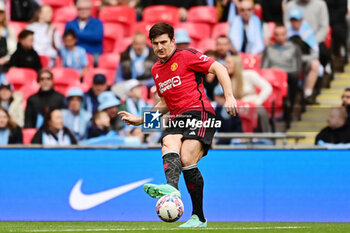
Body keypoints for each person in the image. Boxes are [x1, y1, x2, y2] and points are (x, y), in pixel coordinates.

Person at [118, 22, 237, 228]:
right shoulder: (156, 70)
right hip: (177, 117)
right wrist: (140, 119)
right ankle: (172, 188)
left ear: (173, 41)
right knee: (168, 141)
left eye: (164, 42)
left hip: (200, 113)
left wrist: (229, 97)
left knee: (187, 156)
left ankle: (198, 216)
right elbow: (165, 102)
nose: (160, 47)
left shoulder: (187, 56)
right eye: (155, 44)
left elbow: (218, 67)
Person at [261, 23, 302, 122]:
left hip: (289, 77)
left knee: (293, 78)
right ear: (273, 36)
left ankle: (288, 109)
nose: (279, 37)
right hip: (272, 78)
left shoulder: (294, 48)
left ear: (286, 34)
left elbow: (297, 69)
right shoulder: (269, 49)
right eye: (277, 34)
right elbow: (263, 68)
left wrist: (282, 73)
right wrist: (273, 71)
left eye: (282, 34)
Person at [226, 55, 272, 132]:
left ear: (236, 64)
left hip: (251, 104)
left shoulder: (249, 74)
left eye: (229, 63)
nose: (226, 65)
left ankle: (265, 138)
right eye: (226, 62)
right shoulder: (227, 79)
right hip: (237, 108)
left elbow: (267, 87)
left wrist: (257, 102)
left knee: (260, 112)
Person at [286, 8, 320, 104]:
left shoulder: (308, 31)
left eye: (296, 19)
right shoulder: (286, 31)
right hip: (290, 61)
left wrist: (302, 59)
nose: (294, 22)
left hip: (305, 59)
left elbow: (315, 53)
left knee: (315, 64)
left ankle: (307, 94)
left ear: (301, 20)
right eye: (292, 20)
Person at [285, 0, 330, 69]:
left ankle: (322, 74)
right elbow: (287, 25)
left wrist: (311, 41)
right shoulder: (290, 5)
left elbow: (324, 27)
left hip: (314, 40)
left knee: (323, 54)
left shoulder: (321, 4)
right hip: (294, 40)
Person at [65, 0, 103, 66]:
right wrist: (88, 35)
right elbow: (67, 39)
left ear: (91, 10)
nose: (83, 11)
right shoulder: (70, 23)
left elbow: (97, 37)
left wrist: (76, 33)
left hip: (93, 54)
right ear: (77, 9)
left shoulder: (98, 23)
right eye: (80, 9)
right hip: (73, 54)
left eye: (86, 9)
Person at [325, 0, 348, 71]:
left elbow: (342, 11)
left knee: (338, 32)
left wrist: (330, 21)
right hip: (325, 21)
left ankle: (340, 59)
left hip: (338, 23)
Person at [0, 2, 17, 73]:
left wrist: (6, 58)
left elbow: (13, 48)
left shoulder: (9, 29)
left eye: (1, 13)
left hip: (5, 62)